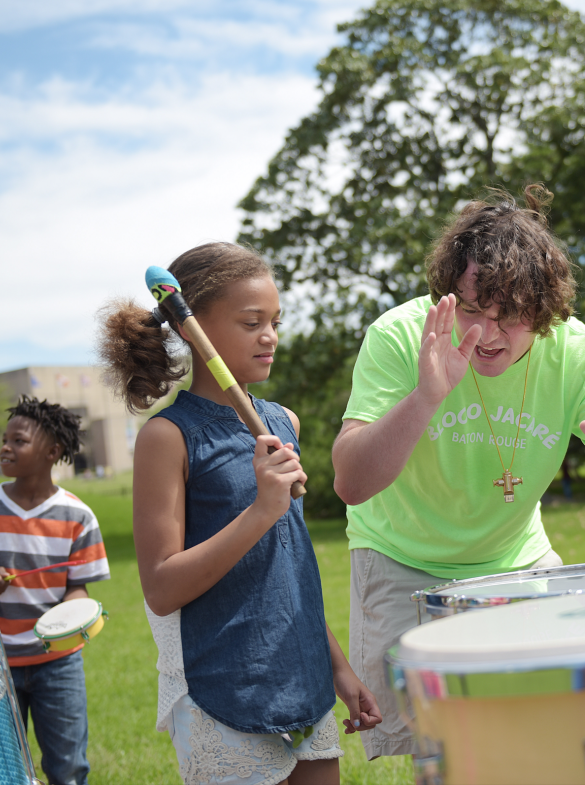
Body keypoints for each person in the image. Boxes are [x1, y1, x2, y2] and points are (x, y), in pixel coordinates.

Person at [332, 185, 585, 759]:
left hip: (518, 562)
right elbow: (351, 483)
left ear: (545, 311)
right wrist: (425, 396)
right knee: (438, 751)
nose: (486, 335)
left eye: (510, 316)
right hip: (400, 558)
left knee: (547, 738)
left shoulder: (583, 354)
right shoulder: (400, 336)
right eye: (470, 310)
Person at [97, 242, 381, 785]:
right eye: (251, 322)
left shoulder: (282, 423)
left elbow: (289, 567)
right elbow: (161, 587)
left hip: (303, 673)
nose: (270, 335)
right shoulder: (168, 436)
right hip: (221, 682)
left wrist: (340, 670)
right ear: (191, 327)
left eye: (275, 321)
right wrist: (261, 509)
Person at [0, 396, 110, 785]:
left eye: (18, 441)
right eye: (5, 439)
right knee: (4, 767)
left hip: (59, 663)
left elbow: (78, 588)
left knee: (67, 767)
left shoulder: (77, 515)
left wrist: (70, 614)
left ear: (52, 451)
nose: (5, 447)